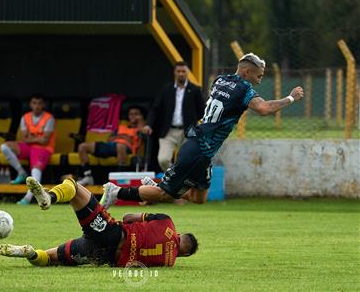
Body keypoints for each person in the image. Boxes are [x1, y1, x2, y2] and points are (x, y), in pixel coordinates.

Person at [100, 53, 305, 207]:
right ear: (246, 72)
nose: (260, 79)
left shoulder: (219, 80)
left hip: (200, 147)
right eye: (259, 76)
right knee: (166, 194)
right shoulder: (244, 88)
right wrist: (291, 98)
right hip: (199, 149)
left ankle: (157, 184)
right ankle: (116, 192)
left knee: (199, 198)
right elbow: (263, 109)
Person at [0, 176, 198, 267]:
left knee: (73, 186)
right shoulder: (168, 263)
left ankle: (49, 198)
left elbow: (128, 217)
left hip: (110, 233)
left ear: (179, 235)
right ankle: (30, 253)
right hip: (101, 257)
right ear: (184, 254)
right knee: (50, 259)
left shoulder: (167, 223)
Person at [142, 61, 205, 172]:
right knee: (163, 159)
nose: (181, 74)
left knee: (184, 160)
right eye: (178, 71)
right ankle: (173, 175)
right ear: (174, 73)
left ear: (187, 73)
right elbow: (155, 109)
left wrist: (196, 123)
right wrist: (148, 125)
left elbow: (202, 110)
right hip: (168, 130)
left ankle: (178, 182)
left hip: (187, 131)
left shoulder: (195, 90)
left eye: (183, 71)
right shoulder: (166, 89)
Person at [0, 94, 55, 205]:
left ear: (43, 105)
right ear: (30, 104)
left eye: (39, 103)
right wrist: (38, 138)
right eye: (34, 103)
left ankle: (27, 198)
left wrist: (31, 138)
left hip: (43, 149)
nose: (37, 106)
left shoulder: (49, 118)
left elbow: (45, 141)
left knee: (36, 170)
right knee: (5, 146)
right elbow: (24, 139)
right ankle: (21, 172)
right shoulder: (25, 117)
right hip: (29, 148)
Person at [77, 106, 146, 186]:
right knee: (82, 146)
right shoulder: (121, 126)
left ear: (141, 116)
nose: (133, 116)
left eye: (136, 114)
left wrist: (140, 120)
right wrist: (124, 137)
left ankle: (119, 178)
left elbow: (138, 138)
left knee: (120, 146)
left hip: (126, 148)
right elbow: (110, 138)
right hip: (111, 145)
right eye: (131, 114)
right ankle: (88, 177)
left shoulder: (141, 128)